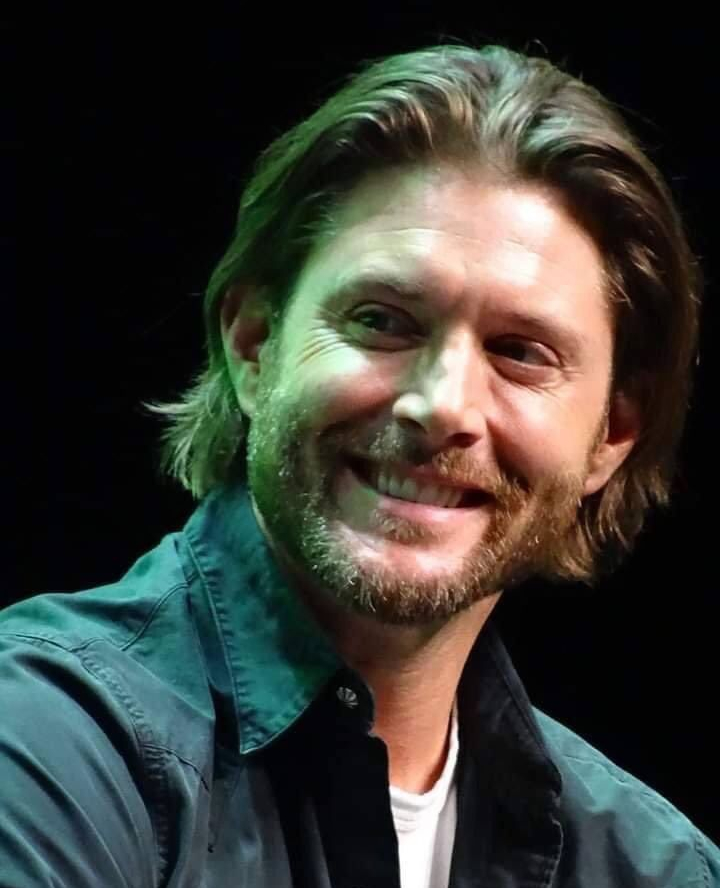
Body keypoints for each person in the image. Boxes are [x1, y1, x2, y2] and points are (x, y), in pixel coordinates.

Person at [2, 42, 718, 888]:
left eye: (520, 352)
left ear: (612, 435)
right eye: (382, 320)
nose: (443, 406)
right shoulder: (41, 738)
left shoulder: (653, 866)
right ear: (254, 345)